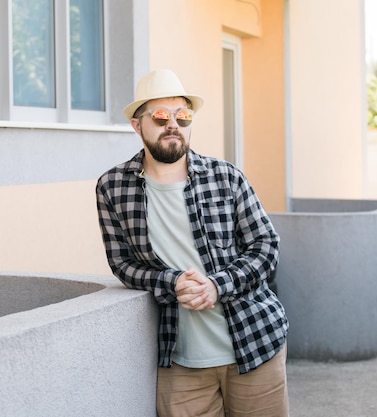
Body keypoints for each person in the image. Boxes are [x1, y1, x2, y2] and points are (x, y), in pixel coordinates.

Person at [95, 69, 289, 417]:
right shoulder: (112, 186)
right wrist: (172, 282)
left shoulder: (226, 176)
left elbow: (265, 244)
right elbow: (122, 264)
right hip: (180, 358)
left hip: (254, 341)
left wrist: (217, 286)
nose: (173, 124)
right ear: (138, 126)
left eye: (182, 116)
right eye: (160, 116)